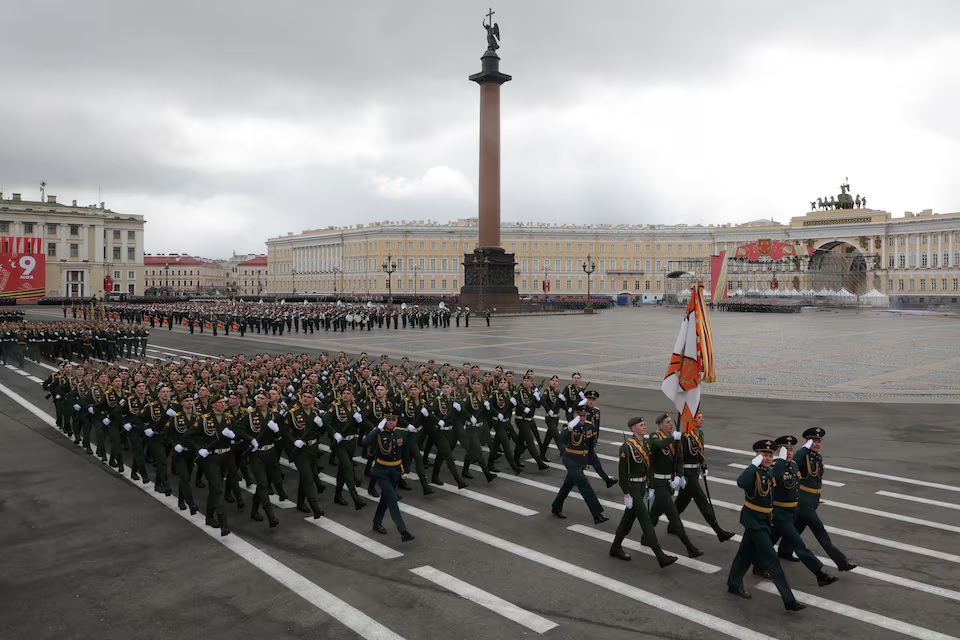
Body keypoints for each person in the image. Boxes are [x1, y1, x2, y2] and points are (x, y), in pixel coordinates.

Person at [726, 439, 805, 612]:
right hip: (754, 520)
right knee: (772, 558)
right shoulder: (753, 472)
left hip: (764, 519)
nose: (768, 457)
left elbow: (781, 477)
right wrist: (753, 465)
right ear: (756, 455)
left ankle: (733, 583)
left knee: (745, 554)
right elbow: (741, 482)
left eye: (770, 454)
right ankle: (789, 600)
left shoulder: (769, 472)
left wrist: (782, 462)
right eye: (764, 454)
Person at [753, 436, 839, 587]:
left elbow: (795, 489)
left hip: (791, 512)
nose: (790, 452)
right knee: (799, 545)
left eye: (792, 449)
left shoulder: (792, 466)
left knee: (771, 539)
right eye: (786, 449)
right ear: (778, 451)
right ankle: (820, 574)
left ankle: (758, 565)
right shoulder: (774, 467)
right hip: (779, 513)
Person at [778, 427, 857, 572]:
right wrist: (804, 448)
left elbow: (816, 479)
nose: (817, 443)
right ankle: (841, 562)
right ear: (808, 442)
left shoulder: (818, 458)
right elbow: (793, 461)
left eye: (819, 440)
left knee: (797, 528)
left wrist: (817, 498)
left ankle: (784, 551)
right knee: (820, 532)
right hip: (803, 502)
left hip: (812, 501)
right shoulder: (803, 456)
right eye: (813, 440)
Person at [609, 416, 678, 568]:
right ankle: (660, 556)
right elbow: (622, 474)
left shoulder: (646, 443)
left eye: (644, 424)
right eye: (641, 425)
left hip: (642, 487)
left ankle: (615, 547)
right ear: (633, 429)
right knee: (646, 520)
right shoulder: (627, 447)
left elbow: (651, 466)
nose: (644, 427)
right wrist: (626, 494)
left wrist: (651, 485)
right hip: (633, 488)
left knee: (627, 520)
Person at [673, 409, 735, 542]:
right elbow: (678, 457)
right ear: (692, 421)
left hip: (695, 472)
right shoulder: (685, 436)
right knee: (702, 500)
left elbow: (700, 453)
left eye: (702, 417)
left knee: (682, 501)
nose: (702, 419)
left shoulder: (700, 433)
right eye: (699, 417)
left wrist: (703, 466)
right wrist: (680, 475)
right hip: (687, 474)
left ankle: (672, 524)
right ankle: (719, 531)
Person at [647, 414, 703, 558]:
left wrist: (679, 475)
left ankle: (645, 537)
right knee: (673, 515)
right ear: (660, 425)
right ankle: (689, 547)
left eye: (671, 422)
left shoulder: (674, 438)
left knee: (654, 514)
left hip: (669, 483)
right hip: (659, 483)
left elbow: (679, 459)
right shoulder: (655, 436)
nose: (670, 424)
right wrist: (673, 438)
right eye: (667, 422)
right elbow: (656, 446)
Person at [362, 408, 415, 542]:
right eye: (388, 419)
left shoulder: (401, 433)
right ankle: (403, 531)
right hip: (381, 471)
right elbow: (365, 442)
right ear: (384, 420)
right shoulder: (378, 433)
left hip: (395, 471)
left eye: (393, 419)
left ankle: (376, 523)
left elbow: (405, 453)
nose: (391, 422)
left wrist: (406, 470)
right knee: (392, 499)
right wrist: (377, 429)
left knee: (385, 499)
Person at [550, 406, 608, 525]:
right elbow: (561, 438)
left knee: (567, 486)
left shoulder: (589, 426)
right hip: (571, 460)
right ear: (574, 415)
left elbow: (590, 447)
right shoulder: (568, 426)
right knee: (584, 484)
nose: (582, 417)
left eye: (584, 415)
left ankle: (556, 506)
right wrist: (571, 426)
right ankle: (597, 514)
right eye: (579, 415)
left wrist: (589, 461)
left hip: (582, 460)